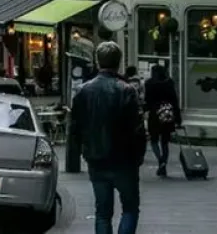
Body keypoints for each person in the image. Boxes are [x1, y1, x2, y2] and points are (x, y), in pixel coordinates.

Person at [69, 41, 146, 234]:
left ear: (98, 61)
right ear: (118, 62)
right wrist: (138, 156)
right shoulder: (127, 90)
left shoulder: (83, 91)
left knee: (103, 212)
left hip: (97, 158)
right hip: (124, 160)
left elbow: (75, 127)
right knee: (130, 208)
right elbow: (137, 129)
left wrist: (82, 151)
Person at [144, 64, 181, 177]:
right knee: (165, 141)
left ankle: (160, 160)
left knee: (154, 140)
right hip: (167, 113)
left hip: (155, 114)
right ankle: (164, 161)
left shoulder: (149, 83)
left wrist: (144, 110)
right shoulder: (169, 82)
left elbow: (147, 100)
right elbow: (174, 100)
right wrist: (178, 118)